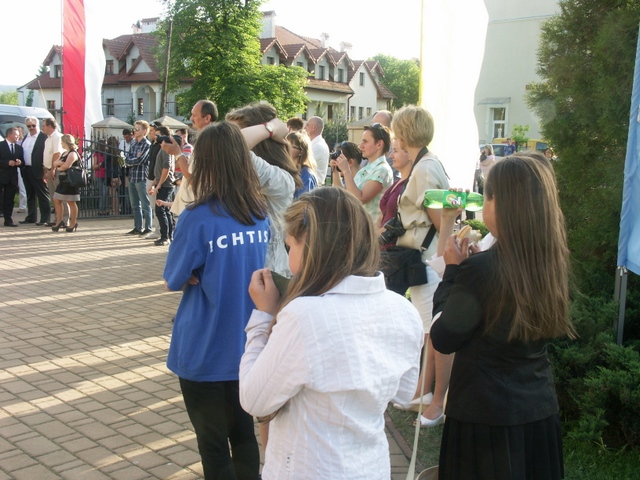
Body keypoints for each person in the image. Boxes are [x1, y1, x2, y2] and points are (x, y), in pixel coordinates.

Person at [239, 187, 424, 480]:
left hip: (310, 468)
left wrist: (262, 317)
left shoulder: (305, 316)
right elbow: (404, 391)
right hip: (370, 467)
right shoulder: (404, 310)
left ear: (311, 248)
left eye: (290, 246)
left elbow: (254, 399)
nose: (289, 258)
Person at [431, 151, 573, 479]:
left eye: (487, 197)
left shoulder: (482, 270)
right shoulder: (550, 263)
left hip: (485, 421)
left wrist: (453, 272)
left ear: (502, 204)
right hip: (536, 411)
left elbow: (444, 337)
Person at [163, 121, 268, 480]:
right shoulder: (258, 214)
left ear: (205, 162)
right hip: (247, 344)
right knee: (243, 434)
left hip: (204, 346)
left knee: (212, 444)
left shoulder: (197, 217)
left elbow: (173, 278)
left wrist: (195, 270)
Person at [390, 105, 451, 427]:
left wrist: (443, 264)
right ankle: (422, 393)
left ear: (404, 132)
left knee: (433, 331)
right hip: (424, 259)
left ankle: (434, 400)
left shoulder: (425, 168)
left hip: (426, 260)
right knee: (428, 331)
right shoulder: (426, 163)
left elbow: (442, 221)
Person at [226, 101, 299, 277]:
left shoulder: (281, 180)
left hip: (268, 277)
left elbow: (228, 146)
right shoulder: (238, 173)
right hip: (241, 271)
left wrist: (269, 128)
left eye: (237, 132)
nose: (231, 136)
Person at [331, 123, 393, 225]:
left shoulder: (382, 170)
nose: (361, 146)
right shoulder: (368, 168)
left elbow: (360, 199)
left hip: (369, 229)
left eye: (365, 142)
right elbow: (344, 195)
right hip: (358, 227)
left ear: (379, 144)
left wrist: (346, 171)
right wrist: (335, 171)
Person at [377, 138, 413, 249]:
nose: (391, 155)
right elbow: (382, 217)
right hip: (382, 246)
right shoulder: (397, 183)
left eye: (395, 151)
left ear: (409, 154)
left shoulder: (411, 184)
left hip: (396, 249)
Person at [18, 116, 50, 225]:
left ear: (38, 125)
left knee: (42, 195)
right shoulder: (26, 137)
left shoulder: (43, 137)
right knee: (30, 194)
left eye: (33, 125)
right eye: (29, 126)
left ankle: (45, 218)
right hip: (26, 169)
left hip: (39, 169)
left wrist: (45, 169)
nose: (31, 128)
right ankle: (31, 217)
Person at [148, 126, 176, 246]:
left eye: (159, 135)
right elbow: (159, 171)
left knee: (161, 210)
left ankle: (166, 237)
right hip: (163, 184)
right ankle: (168, 236)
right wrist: (154, 184)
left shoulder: (165, 150)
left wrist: (159, 185)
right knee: (164, 210)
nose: (156, 137)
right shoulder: (162, 149)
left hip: (166, 185)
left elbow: (166, 168)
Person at [124, 121, 152, 235]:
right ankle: (137, 227)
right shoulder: (133, 143)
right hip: (132, 177)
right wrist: (133, 160)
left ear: (144, 131)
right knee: (135, 204)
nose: (135, 131)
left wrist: (132, 160)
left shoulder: (147, 144)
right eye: (134, 129)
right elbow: (127, 159)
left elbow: (141, 160)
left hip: (141, 177)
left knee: (145, 204)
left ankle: (148, 227)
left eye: (138, 129)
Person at [52, 134, 81, 232]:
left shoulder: (73, 154)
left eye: (62, 142)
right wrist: (59, 164)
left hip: (70, 181)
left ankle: (73, 223)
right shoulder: (64, 153)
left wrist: (59, 166)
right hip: (63, 181)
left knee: (71, 201)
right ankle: (59, 221)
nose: (61, 143)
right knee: (56, 199)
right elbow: (55, 163)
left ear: (66, 142)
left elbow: (66, 166)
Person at [42, 118, 68, 226]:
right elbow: (47, 156)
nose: (42, 128)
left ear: (50, 126)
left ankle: (65, 220)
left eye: (44, 126)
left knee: (61, 195)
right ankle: (58, 219)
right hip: (49, 169)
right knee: (54, 196)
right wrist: (46, 171)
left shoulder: (57, 137)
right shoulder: (48, 139)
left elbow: (57, 154)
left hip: (56, 170)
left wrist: (53, 169)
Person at [0, 128, 23, 227]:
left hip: (12, 177)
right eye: (16, 135)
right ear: (9, 135)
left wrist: (20, 162)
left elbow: (22, 162)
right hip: (1, 176)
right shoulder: (1, 145)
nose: (18, 137)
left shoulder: (19, 148)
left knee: (9, 199)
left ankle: (8, 220)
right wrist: (7, 163)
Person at [285, 130, 317, 198]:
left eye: (292, 146)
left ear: (301, 152)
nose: (286, 148)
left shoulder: (306, 175)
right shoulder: (284, 168)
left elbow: (302, 201)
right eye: (286, 144)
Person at [304, 116, 330, 183]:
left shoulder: (318, 146)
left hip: (314, 186)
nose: (304, 127)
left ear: (314, 128)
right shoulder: (315, 144)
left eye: (307, 125)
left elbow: (301, 163)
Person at [105, 136, 121, 216]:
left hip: (110, 174)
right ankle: (117, 210)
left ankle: (116, 210)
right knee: (117, 194)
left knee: (113, 194)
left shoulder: (108, 153)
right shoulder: (119, 152)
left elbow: (104, 163)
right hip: (117, 174)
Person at [93, 140, 110, 215]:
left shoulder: (108, 153)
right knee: (102, 193)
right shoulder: (96, 154)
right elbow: (94, 166)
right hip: (99, 175)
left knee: (105, 193)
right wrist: (101, 164)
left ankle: (103, 209)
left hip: (106, 175)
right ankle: (101, 210)